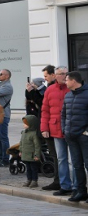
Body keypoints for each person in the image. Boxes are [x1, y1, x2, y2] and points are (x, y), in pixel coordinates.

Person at [40, 65, 74, 195]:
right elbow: (45, 110)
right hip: (55, 128)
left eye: (66, 73)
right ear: (55, 75)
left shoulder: (72, 88)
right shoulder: (50, 90)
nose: (64, 76)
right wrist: (44, 128)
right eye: (61, 73)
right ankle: (65, 186)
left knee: (73, 160)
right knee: (61, 158)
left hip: (71, 128)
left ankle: (76, 186)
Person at [62, 71, 88, 202]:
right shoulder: (68, 96)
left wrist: (86, 132)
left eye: (66, 80)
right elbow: (63, 115)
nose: (65, 82)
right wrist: (64, 130)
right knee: (77, 165)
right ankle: (81, 192)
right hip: (70, 136)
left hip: (84, 137)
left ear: (73, 81)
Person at [19, 114, 42, 188]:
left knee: (33, 169)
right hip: (26, 155)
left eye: (25, 124)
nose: (24, 125)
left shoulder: (34, 134)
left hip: (32, 155)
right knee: (28, 169)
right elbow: (21, 143)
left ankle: (34, 180)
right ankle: (29, 179)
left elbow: (37, 145)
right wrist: (21, 151)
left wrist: (37, 155)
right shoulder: (24, 133)